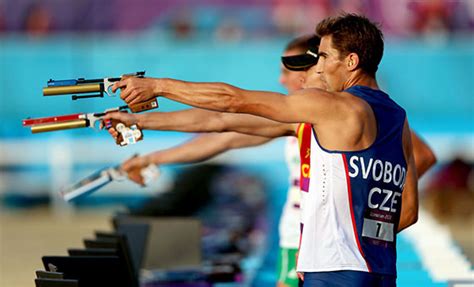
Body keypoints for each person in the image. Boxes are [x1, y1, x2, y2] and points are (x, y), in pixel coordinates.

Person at [105, 13, 423, 286]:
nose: (320, 68)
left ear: (351, 61)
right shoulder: (399, 119)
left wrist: (158, 86)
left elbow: (232, 101)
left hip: (333, 270)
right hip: (380, 270)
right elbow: (408, 211)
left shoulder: (333, 107)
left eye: (324, 57)